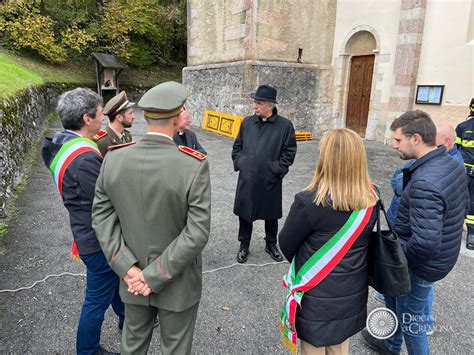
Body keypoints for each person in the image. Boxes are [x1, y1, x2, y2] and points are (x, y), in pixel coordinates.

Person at [92, 81, 211, 355]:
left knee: (132, 347)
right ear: (178, 115)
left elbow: (101, 216)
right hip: (177, 280)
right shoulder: (193, 165)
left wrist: (130, 269)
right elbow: (197, 232)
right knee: (175, 349)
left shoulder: (114, 158)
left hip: (131, 280)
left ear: (145, 116)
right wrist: (154, 275)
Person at [362, 110, 468, 355]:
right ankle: (390, 343)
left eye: (398, 140)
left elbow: (425, 244)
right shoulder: (450, 162)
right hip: (440, 257)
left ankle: (398, 343)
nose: (393, 145)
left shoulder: (425, 183)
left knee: (412, 323)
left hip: (422, 266)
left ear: (417, 138)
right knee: (395, 301)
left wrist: (398, 263)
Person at [278, 128, 378, 355]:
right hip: (352, 290)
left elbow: (286, 244)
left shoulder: (309, 201)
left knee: (313, 348)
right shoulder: (373, 197)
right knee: (340, 347)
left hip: (316, 295)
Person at [41, 88, 124, 355]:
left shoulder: (65, 144)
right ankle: (87, 350)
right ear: (87, 119)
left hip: (85, 232)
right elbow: (110, 199)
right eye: (100, 113)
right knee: (95, 300)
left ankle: (127, 318)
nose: (103, 117)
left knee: (110, 283)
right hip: (97, 239)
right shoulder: (85, 158)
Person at [232, 84, 297, 263]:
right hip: (247, 178)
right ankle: (244, 245)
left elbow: (289, 152)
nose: (255, 106)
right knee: (245, 213)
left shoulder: (285, 126)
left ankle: (271, 244)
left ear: (270, 105)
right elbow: (237, 146)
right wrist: (240, 163)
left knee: (271, 214)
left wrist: (278, 170)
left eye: (259, 103)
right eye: (255, 102)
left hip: (270, 179)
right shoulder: (247, 122)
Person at [455, 98, 474, 249]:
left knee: (459, 202)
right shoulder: (462, 127)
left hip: (464, 173)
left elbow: (455, 151)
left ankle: (454, 233)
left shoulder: (462, 127)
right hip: (465, 173)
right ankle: (472, 236)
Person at [93, 91, 135, 157]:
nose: (133, 117)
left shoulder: (127, 135)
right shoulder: (101, 141)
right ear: (119, 117)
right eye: (130, 113)